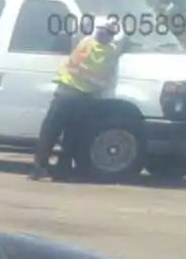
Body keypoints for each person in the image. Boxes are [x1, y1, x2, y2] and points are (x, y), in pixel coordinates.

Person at [31, 16, 122, 180]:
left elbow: (74, 60)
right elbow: (107, 78)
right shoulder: (111, 52)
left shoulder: (85, 42)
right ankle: (62, 170)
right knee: (72, 136)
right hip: (84, 97)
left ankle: (39, 168)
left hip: (67, 92)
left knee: (50, 133)